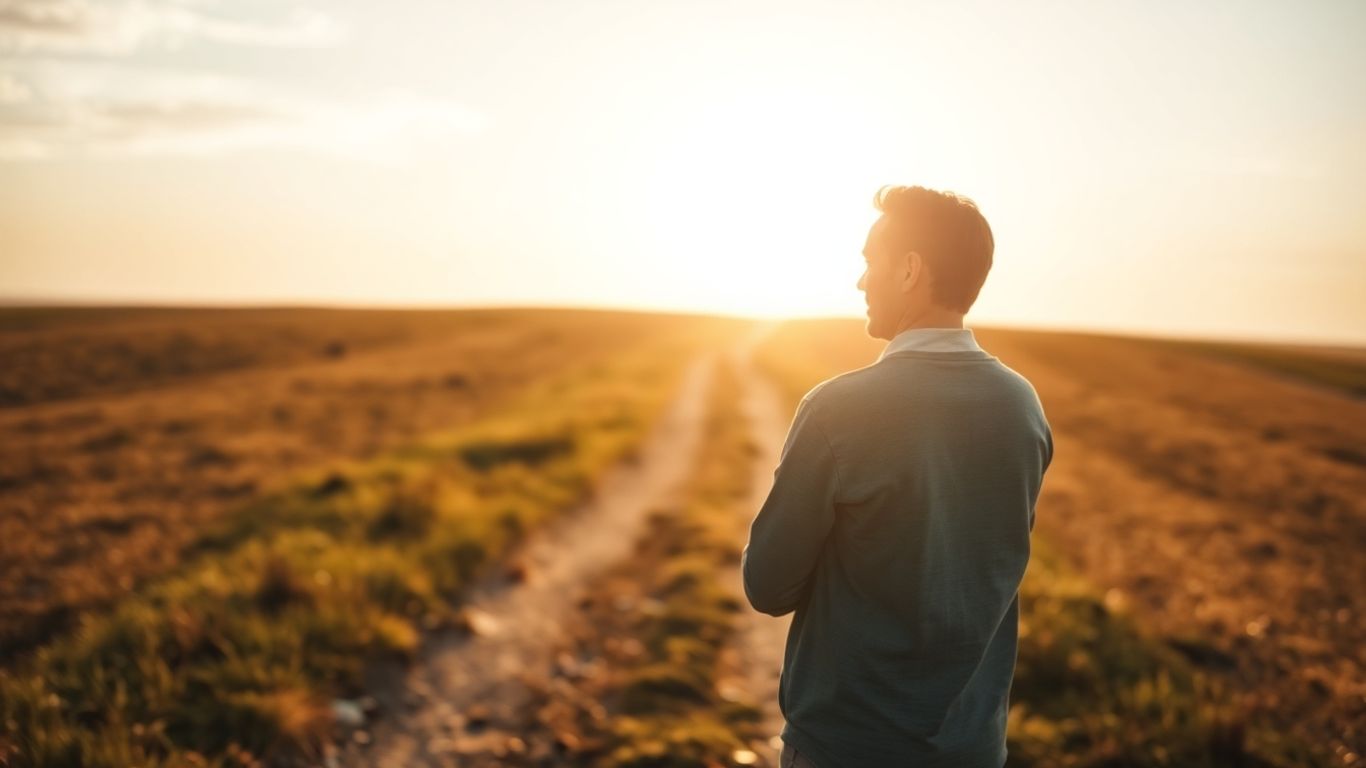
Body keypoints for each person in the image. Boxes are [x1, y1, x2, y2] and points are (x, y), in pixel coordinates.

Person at [742, 185, 1054, 767]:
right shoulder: (1023, 405)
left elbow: (767, 586)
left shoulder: (838, 409)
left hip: (847, 746)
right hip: (974, 749)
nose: (861, 281)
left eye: (869, 261)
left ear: (910, 270)